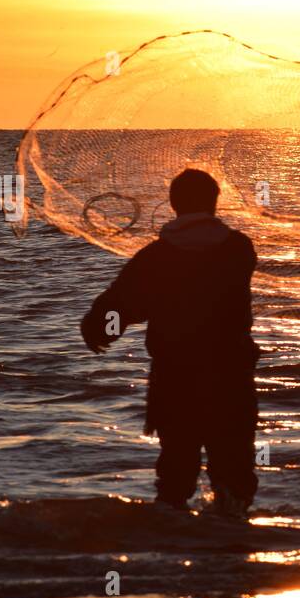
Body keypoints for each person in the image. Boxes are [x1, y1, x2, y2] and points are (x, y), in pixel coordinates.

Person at [80, 169, 259, 517]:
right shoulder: (238, 248)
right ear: (214, 202)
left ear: (174, 204)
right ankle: (232, 546)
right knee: (234, 466)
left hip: (176, 376)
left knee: (176, 468)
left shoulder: (156, 256)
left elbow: (125, 302)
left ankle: (173, 545)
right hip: (229, 374)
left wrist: (99, 330)